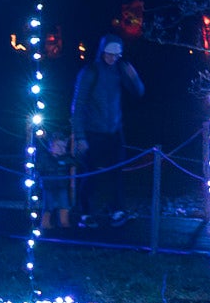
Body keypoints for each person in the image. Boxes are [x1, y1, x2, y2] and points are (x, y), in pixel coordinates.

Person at [65, 34, 151, 226]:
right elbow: (78, 105)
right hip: (92, 131)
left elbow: (138, 92)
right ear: (102, 52)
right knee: (90, 172)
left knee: (117, 172)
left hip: (114, 129)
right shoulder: (90, 71)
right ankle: (85, 213)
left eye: (116, 55)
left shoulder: (120, 69)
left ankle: (117, 210)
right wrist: (79, 136)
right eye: (109, 54)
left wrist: (134, 77)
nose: (112, 58)